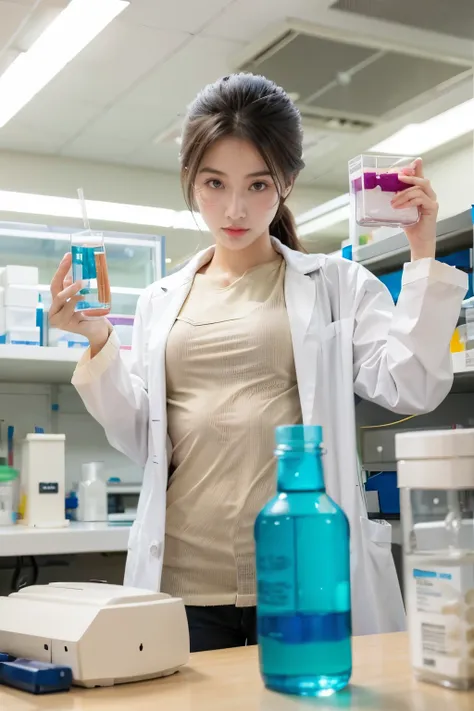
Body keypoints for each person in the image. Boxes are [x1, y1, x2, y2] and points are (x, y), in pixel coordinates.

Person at [49, 73, 467, 651]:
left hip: (302, 574)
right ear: (191, 181)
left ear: (287, 182)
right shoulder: (160, 302)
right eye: (214, 183)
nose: (235, 207)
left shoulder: (336, 285)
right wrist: (98, 340)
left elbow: (411, 386)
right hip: (185, 583)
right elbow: (139, 437)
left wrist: (422, 251)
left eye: (258, 184)